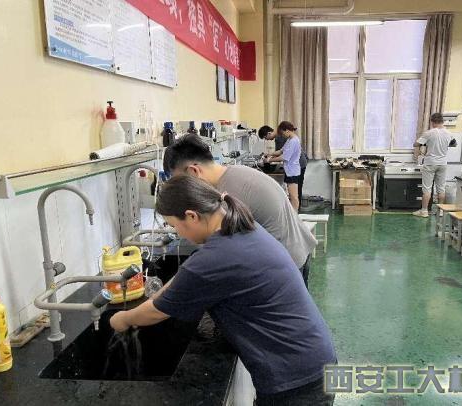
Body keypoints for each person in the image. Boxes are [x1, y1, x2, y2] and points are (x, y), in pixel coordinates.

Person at [109, 176, 336, 405]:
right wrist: (159, 296)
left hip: (296, 379)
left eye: (175, 226)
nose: (178, 233)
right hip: (312, 358)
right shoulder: (241, 228)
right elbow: (184, 277)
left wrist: (122, 319)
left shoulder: (216, 257)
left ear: (191, 216)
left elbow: (157, 312)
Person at [163, 134, 316, 287]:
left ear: (193, 172)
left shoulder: (228, 195)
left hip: (287, 264)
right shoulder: (235, 172)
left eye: (181, 182)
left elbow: (213, 256)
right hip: (298, 249)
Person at [413, 113, 457, 218]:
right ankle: (440, 211)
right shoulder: (449, 133)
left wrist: (425, 143)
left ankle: (424, 211)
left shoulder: (429, 133)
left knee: (427, 188)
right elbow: (454, 144)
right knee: (441, 188)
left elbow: (416, 144)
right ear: (442, 121)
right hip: (442, 163)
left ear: (432, 122)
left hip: (430, 163)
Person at [258, 125, 309, 210]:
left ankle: (296, 211)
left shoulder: (281, 137)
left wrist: (269, 160)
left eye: (265, 138)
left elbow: (283, 156)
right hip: (297, 164)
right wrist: (270, 154)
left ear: (269, 133)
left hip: (298, 164)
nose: (267, 140)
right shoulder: (282, 136)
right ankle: (295, 211)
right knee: (295, 192)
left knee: (295, 193)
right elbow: (281, 151)